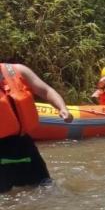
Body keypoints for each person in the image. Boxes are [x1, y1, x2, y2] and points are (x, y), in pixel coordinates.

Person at [0, 62, 73, 192]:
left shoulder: (18, 70)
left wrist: (62, 108)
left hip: (24, 144)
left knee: (46, 189)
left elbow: (45, 90)